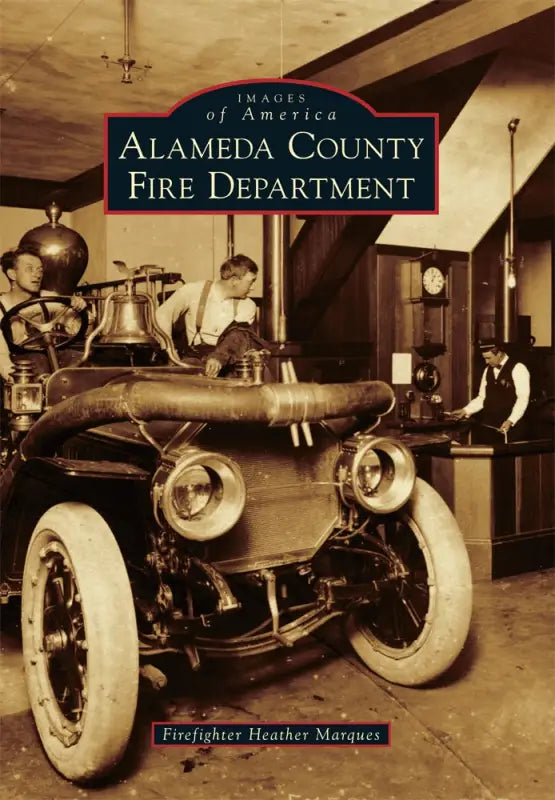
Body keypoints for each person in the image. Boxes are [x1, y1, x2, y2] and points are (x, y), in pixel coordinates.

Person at [155, 254, 259, 377]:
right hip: (196, 359)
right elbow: (162, 314)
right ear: (234, 280)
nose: (253, 288)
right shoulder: (193, 290)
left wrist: (218, 358)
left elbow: (237, 338)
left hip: (228, 361)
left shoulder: (248, 305)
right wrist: (169, 349)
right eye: (251, 282)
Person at [0, 245, 86, 379]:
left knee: (83, 361)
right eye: (30, 269)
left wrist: (78, 308)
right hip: (19, 362)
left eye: (40, 270)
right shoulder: (1, 307)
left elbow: (76, 328)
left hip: (51, 354)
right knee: (39, 362)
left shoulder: (48, 298)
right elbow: (1, 356)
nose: (37, 275)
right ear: (12, 274)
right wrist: (14, 377)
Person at [451, 339, 531, 442]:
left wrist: (511, 420)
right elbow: (482, 397)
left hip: (511, 428)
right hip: (490, 426)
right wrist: (465, 410)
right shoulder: (487, 370)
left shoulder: (518, 368)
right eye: (485, 358)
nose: (486, 362)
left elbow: (522, 399)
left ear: (499, 354)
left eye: (489, 358)